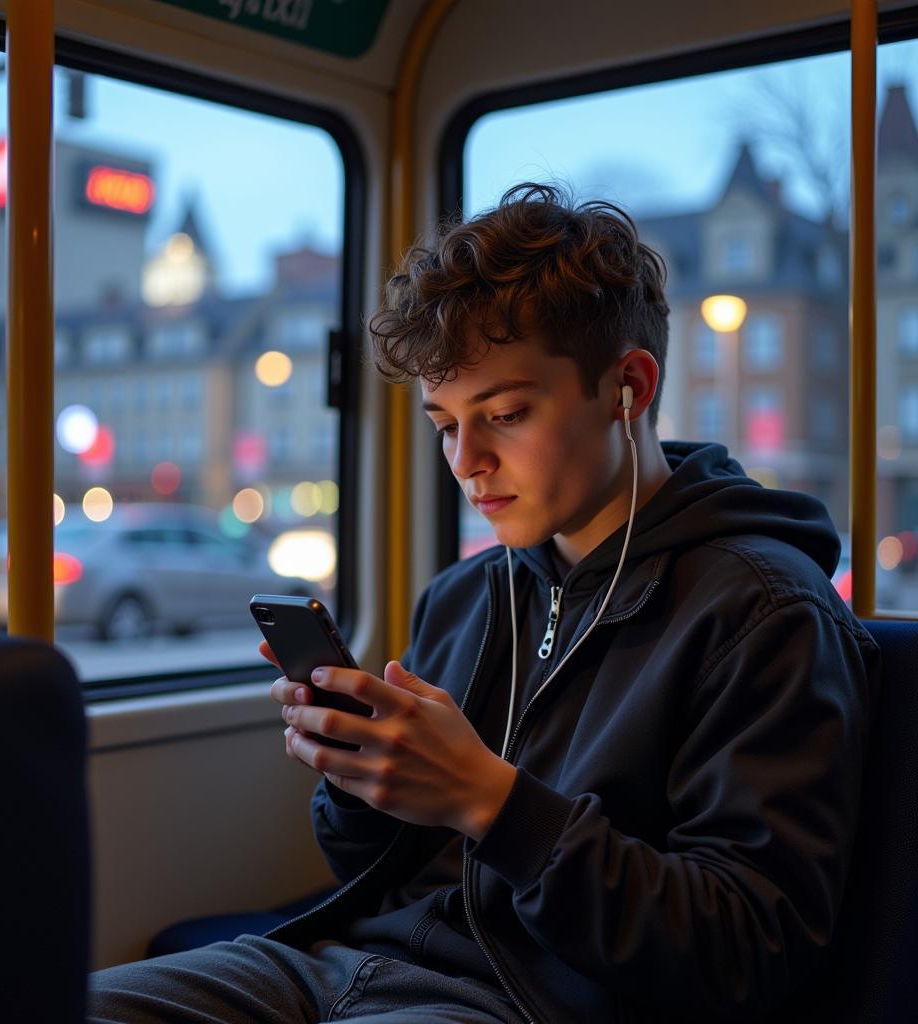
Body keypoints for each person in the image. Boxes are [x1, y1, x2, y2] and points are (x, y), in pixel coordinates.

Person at [88, 183, 880, 1023]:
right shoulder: (467, 595)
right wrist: (360, 775)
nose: (466, 461)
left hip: (534, 1004)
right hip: (343, 963)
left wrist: (493, 804)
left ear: (630, 389)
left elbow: (746, 948)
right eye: (444, 422)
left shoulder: (765, 613)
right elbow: (371, 866)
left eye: (504, 413)